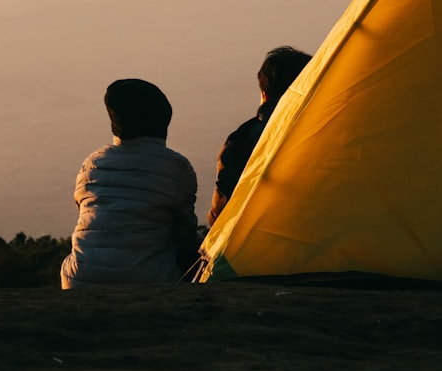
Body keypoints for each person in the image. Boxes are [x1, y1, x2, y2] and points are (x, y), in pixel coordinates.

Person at [60, 78, 199, 289]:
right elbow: (185, 230)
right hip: (149, 279)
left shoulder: (92, 163)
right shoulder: (175, 166)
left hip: (79, 279)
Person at [207, 46, 312, 227]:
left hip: (256, 245)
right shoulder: (330, 132)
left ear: (264, 94)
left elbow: (221, 212)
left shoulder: (242, 140)